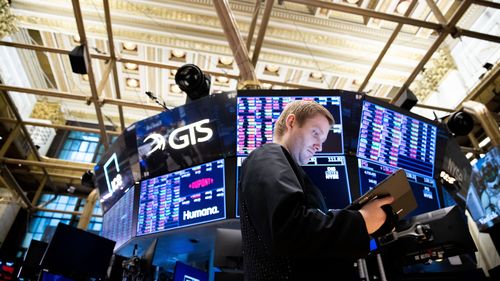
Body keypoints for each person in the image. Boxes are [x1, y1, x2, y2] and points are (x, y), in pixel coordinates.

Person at [239, 100, 394, 280]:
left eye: (322, 140)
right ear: (291, 122)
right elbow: (289, 229)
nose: (319, 146)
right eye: (315, 134)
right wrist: (360, 221)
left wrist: (362, 221)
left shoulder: (289, 171)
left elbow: (312, 242)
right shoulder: (267, 155)